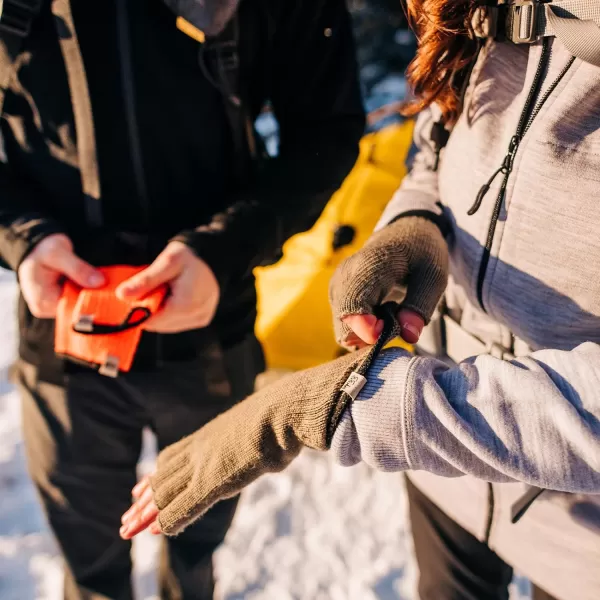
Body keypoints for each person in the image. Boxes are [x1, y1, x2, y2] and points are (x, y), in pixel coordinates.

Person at [120, 1, 600, 599]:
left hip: (581, 536)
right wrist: (416, 223)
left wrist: (359, 405)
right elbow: (435, 143)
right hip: (447, 473)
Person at [0, 0, 364, 598]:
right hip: (62, 345)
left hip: (212, 338)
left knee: (195, 551)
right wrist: (23, 239)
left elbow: (326, 128)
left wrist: (225, 247)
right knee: (91, 569)